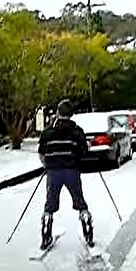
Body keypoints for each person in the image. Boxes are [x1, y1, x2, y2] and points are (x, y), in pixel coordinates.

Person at [37, 99, 94, 250]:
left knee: (50, 204)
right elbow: (83, 152)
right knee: (79, 201)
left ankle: (46, 234)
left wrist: (47, 166)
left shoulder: (47, 133)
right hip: (72, 171)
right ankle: (87, 228)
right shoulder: (77, 132)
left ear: (57, 113)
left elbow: (41, 153)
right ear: (71, 114)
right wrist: (86, 147)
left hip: (53, 173)